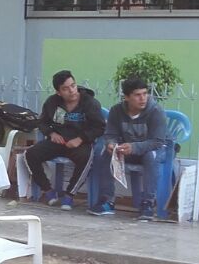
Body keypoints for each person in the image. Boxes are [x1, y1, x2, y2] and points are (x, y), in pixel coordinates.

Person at [87, 78, 168, 221]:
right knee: (105, 153)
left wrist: (135, 147)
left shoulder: (156, 111)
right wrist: (111, 144)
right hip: (126, 151)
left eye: (145, 93)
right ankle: (107, 201)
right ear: (126, 97)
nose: (143, 98)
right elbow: (110, 134)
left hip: (152, 150)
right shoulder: (116, 111)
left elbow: (157, 141)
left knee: (151, 156)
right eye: (137, 95)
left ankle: (148, 203)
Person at [25, 70, 106, 211]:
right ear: (58, 92)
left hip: (80, 143)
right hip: (59, 141)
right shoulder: (52, 102)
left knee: (86, 158)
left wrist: (81, 139)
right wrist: (51, 133)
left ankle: (70, 195)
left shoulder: (90, 103)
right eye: (66, 88)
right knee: (30, 154)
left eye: (73, 86)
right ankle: (48, 190)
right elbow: (42, 122)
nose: (72, 91)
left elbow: (99, 127)